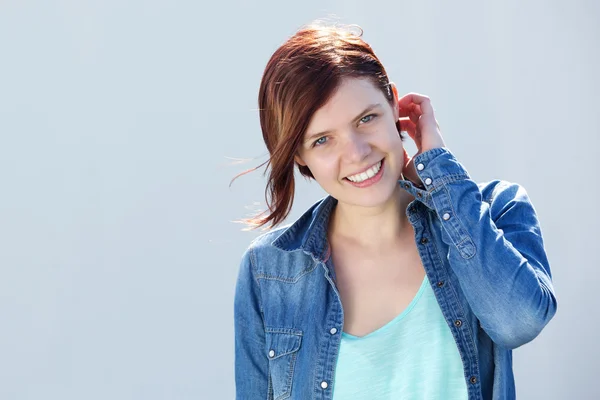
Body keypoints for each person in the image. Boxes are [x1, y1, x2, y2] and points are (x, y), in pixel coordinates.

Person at [232, 22, 557, 400]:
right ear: (300, 158)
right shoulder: (269, 270)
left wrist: (435, 163)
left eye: (366, 119)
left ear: (394, 107)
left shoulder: (494, 212)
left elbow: (519, 321)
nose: (356, 153)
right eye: (322, 140)